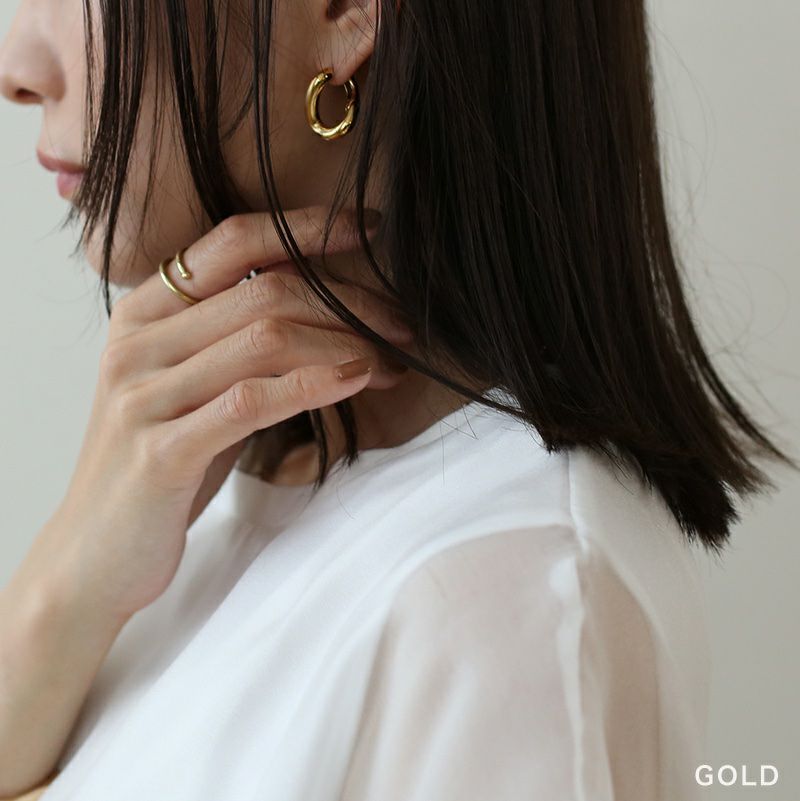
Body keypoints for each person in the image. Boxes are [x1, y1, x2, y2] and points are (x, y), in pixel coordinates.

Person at [0, 0, 793, 799]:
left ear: (347, 11)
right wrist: (58, 594)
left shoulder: (507, 608)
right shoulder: (199, 493)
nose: (15, 70)